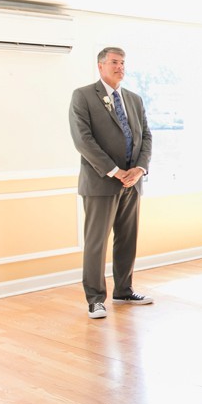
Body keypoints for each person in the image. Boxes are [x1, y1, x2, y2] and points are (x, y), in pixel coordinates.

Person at [69, 47, 154, 319]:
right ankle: (95, 299)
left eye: (123, 63)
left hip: (133, 182)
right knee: (96, 243)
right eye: (115, 62)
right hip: (101, 183)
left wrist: (138, 169)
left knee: (127, 240)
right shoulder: (83, 96)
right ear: (101, 66)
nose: (121, 67)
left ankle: (124, 290)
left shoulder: (134, 99)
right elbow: (83, 140)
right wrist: (115, 171)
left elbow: (146, 137)